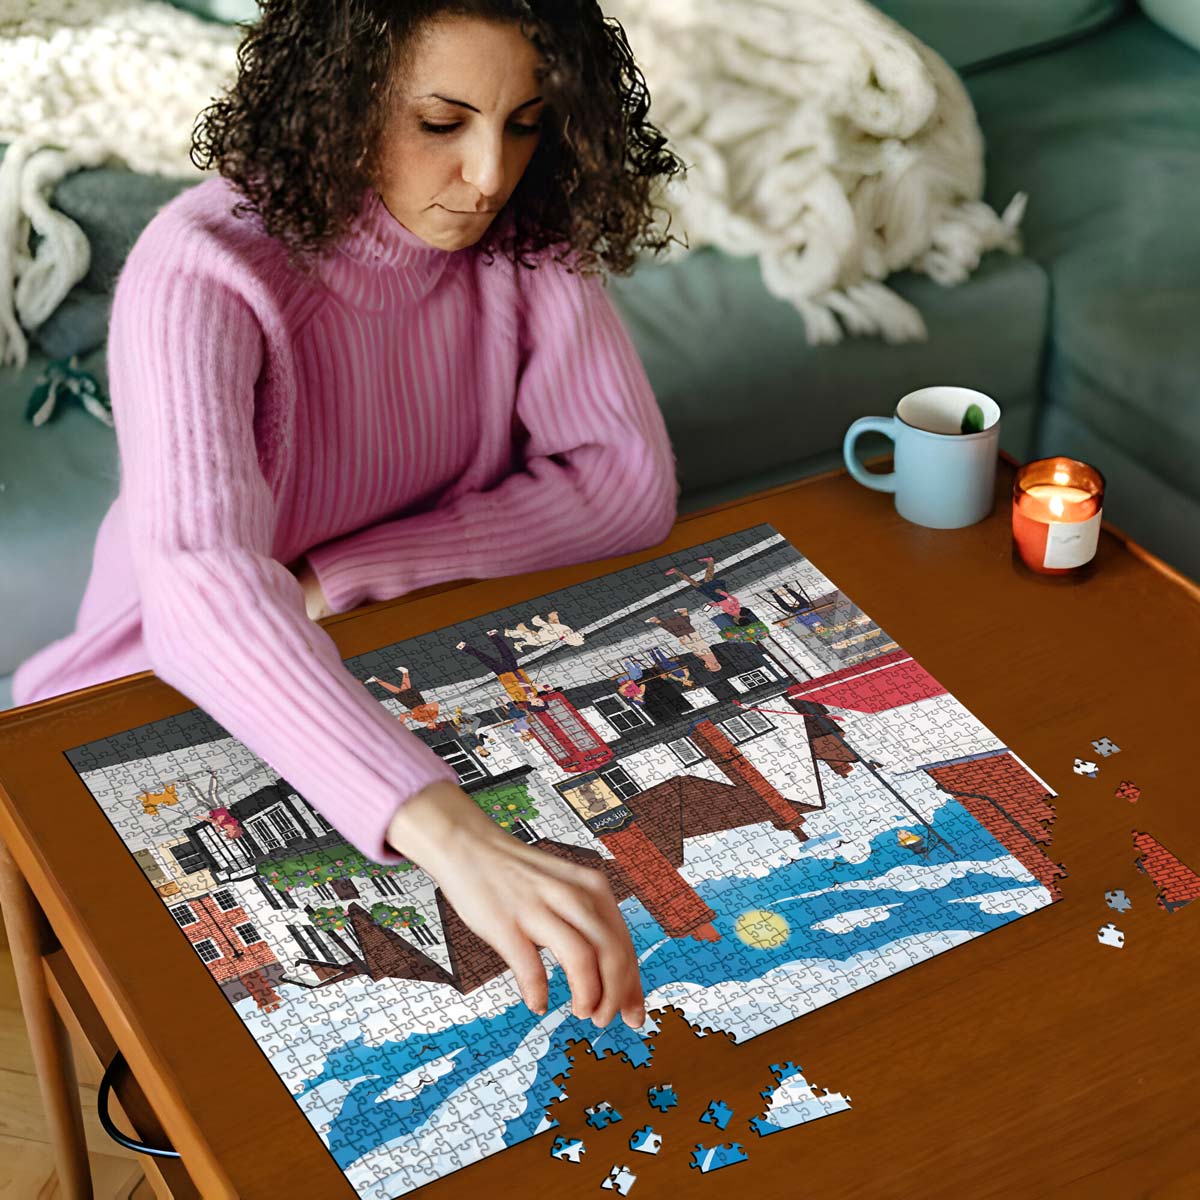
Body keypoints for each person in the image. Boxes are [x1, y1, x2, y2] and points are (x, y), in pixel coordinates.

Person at [11, 0, 688, 1032]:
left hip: (398, 641)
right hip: (159, 685)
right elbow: (200, 587)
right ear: (343, 100)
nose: (489, 176)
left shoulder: (528, 233)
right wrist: (454, 835)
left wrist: (347, 574)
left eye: (524, 122)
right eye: (441, 122)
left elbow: (626, 486)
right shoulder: (201, 266)